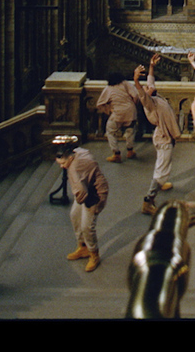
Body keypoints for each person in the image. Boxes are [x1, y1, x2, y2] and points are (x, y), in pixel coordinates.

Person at [132, 54, 181, 214]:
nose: (148, 86)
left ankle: (161, 181)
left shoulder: (153, 95)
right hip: (164, 138)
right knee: (161, 170)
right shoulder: (150, 104)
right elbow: (142, 93)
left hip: (163, 136)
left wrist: (151, 66)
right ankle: (149, 200)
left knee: (162, 164)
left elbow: (151, 81)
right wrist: (136, 80)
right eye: (146, 87)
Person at [54, 139, 110, 273]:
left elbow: (81, 192)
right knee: (75, 215)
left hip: (95, 195)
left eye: (63, 163)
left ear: (71, 158)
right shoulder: (77, 153)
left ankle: (93, 254)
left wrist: (82, 202)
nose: (62, 167)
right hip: (88, 189)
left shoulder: (74, 169)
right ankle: (83, 246)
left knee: (87, 226)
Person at [94, 72, 139, 162]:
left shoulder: (108, 88)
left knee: (110, 131)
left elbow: (99, 104)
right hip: (130, 111)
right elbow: (135, 95)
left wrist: (109, 110)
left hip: (118, 113)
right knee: (130, 131)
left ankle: (116, 153)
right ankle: (130, 151)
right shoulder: (126, 83)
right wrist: (133, 104)